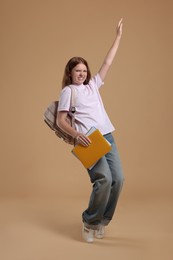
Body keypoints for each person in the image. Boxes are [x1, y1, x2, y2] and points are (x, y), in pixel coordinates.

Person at [57, 18, 124, 243]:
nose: (82, 74)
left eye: (84, 70)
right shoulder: (69, 91)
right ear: (71, 72)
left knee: (119, 179)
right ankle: (90, 222)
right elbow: (60, 121)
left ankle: (103, 220)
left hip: (108, 136)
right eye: (78, 71)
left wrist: (117, 38)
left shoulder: (93, 86)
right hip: (88, 141)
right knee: (103, 179)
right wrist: (77, 135)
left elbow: (107, 63)